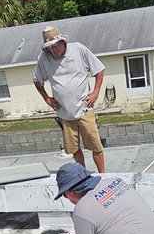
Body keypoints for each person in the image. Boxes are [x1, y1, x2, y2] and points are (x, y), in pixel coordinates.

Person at [34, 26, 107, 173]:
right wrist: (47, 99)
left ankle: (103, 175)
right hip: (64, 114)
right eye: (50, 48)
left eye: (56, 46)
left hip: (85, 109)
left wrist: (95, 92)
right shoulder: (44, 58)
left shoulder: (79, 49)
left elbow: (99, 70)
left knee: (96, 146)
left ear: (63, 42)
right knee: (74, 149)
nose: (54, 50)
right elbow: (37, 80)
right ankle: (83, 175)